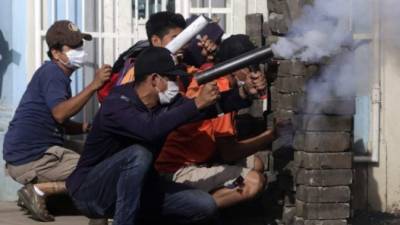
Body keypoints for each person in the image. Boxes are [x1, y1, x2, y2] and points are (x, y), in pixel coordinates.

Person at [66, 46, 266, 225]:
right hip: (90, 191)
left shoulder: (163, 102)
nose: (175, 83)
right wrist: (196, 103)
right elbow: (149, 129)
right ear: (154, 80)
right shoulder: (117, 103)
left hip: (141, 189)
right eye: (170, 78)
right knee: (139, 154)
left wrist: (244, 93)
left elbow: (203, 110)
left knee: (204, 205)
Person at [2, 20, 111, 222]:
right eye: (73, 47)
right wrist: (94, 85)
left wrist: (85, 127)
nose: (80, 50)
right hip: (32, 157)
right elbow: (60, 114)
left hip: (30, 152)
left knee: (96, 154)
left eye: (80, 45)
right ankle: (39, 189)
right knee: (96, 168)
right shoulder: (53, 74)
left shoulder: (54, 74)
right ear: (56, 53)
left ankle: (43, 195)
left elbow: (56, 120)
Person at [156, 34, 276, 208]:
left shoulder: (214, 77)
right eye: (250, 66)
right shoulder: (220, 86)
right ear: (237, 68)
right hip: (176, 170)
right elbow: (229, 152)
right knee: (253, 182)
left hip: (201, 157)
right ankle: (190, 209)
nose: (253, 70)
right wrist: (271, 136)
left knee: (256, 163)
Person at [97, 11, 221, 102]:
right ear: (156, 41)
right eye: (176, 38)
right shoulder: (138, 72)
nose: (184, 44)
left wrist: (209, 60)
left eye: (185, 38)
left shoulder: (182, 67)